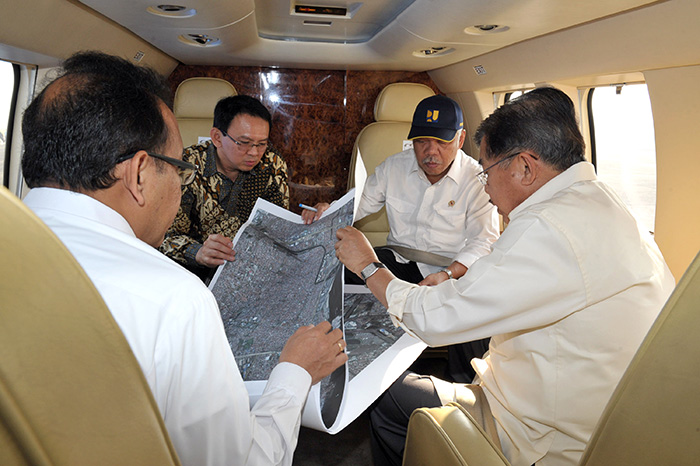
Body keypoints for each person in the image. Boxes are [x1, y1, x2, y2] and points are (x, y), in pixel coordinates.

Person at [21, 51, 347, 466]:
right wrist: (295, 372)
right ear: (140, 173)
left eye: (261, 145)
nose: (178, 183)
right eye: (175, 169)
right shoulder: (175, 300)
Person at [334, 87, 675, 466]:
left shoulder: (545, 231)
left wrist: (368, 265)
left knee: (384, 396)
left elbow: (435, 319)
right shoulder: (602, 201)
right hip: (588, 407)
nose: (485, 186)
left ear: (525, 167)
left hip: (541, 434)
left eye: (486, 171)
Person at [303, 94, 499, 382]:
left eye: (442, 143)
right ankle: (345, 364)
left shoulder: (477, 178)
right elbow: (358, 205)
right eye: (422, 141)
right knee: (338, 267)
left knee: (474, 307)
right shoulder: (394, 167)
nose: (430, 152)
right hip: (401, 261)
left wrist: (447, 274)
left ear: (460, 139)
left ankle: (464, 387)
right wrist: (329, 211)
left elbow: (484, 243)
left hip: (455, 271)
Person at [159, 95, 289, 281]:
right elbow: (161, 237)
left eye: (261, 144)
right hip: (191, 275)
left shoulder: (272, 164)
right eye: (244, 143)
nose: (254, 152)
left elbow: (279, 227)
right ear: (217, 137)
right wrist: (198, 252)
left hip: (254, 271)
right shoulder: (185, 168)